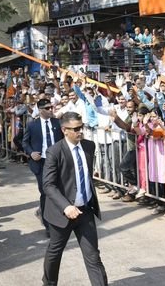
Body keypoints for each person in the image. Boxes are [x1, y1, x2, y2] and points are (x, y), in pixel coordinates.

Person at [42, 112, 107, 286]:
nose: (80, 132)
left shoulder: (89, 146)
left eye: (81, 127)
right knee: (55, 253)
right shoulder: (54, 152)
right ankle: (48, 283)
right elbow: (48, 185)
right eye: (76, 129)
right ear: (64, 130)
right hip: (61, 213)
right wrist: (66, 206)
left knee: (93, 255)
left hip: (84, 211)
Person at [22, 98, 63, 237]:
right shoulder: (32, 125)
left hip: (56, 162)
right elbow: (24, 142)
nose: (51, 110)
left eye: (52, 107)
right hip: (40, 163)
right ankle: (48, 224)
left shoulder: (57, 123)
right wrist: (31, 153)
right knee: (46, 192)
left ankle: (55, 217)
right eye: (47, 108)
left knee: (57, 191)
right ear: (40, 110)